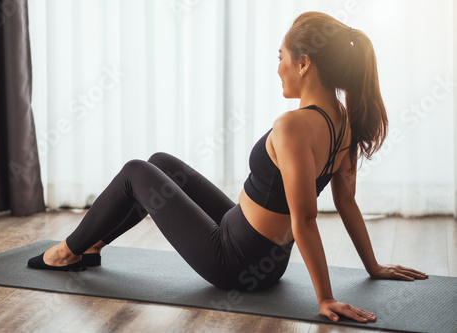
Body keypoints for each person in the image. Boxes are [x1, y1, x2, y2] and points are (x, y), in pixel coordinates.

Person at [28, 11, 428, 323]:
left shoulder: (292, 126)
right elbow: (347, 204)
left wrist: (324, 297)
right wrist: (372, 267)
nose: (278, 68)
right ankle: (94, 244)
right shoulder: (344, 121)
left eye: (281, 57)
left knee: (135, 170)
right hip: (263, 251)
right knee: (161, 164)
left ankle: (66, 252)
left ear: (304, 64)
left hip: (235, 260)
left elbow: (306, 218)